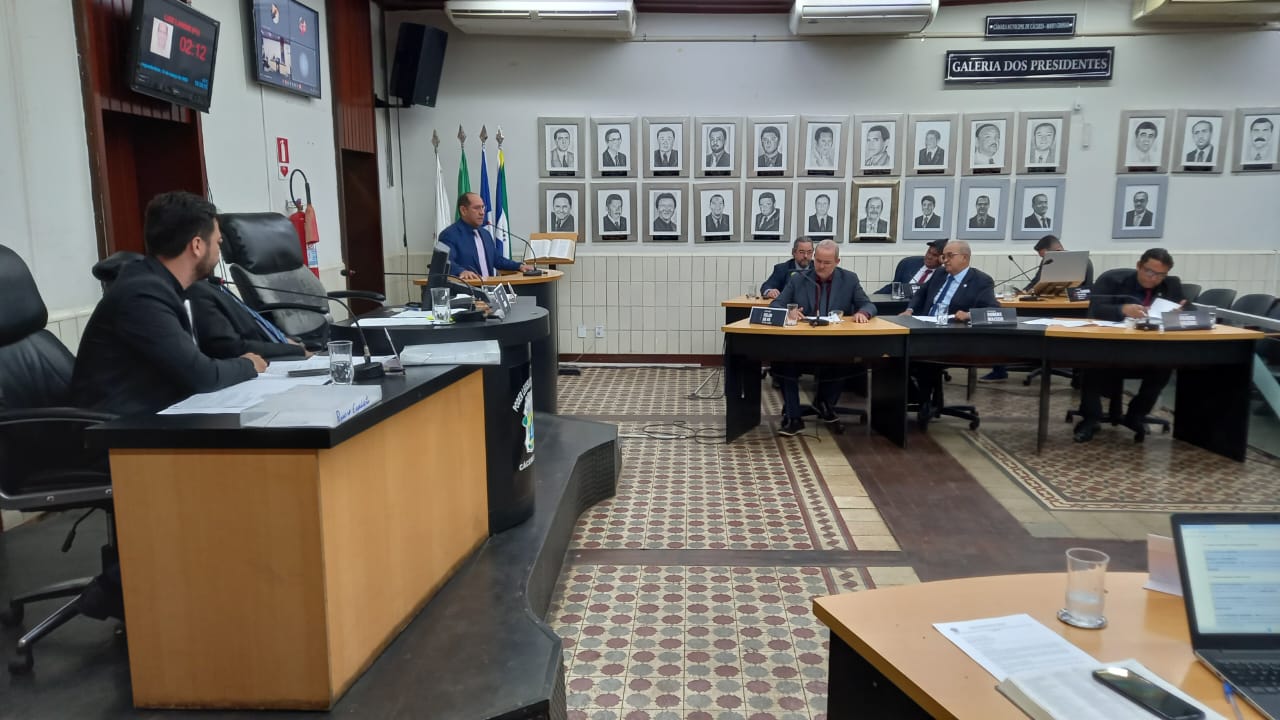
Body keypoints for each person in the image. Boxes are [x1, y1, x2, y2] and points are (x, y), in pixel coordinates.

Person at [71, 191, 266, 417]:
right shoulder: (142, 295)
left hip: (152, 415)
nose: (218, 253)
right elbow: (201, 375)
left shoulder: (160, 285)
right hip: (119, 428)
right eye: (217, 243)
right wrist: (247, 364)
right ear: (197, 245)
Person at [1073, 248, 1185, 443]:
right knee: (1091, 364)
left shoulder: (1171, 285)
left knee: (1164, 367)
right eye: (1149, 271)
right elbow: (1096, 309)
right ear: (1139, 266)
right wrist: (1122, 309)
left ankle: (1136, 415)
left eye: (1160, 274)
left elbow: (1188, 310)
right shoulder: (1113, 282)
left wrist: (1180, 313)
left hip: (1149, 348)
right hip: (1111, 347)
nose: (1154, 278)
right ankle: (1091, 418)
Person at [769, 239, 877, 436]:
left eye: (827, 262)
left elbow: (868, 304)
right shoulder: (799, 278)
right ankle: (793, 417)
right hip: (802, 345)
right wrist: (789, 311)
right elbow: (776, 304)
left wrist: (863, 313)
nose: (820, 266)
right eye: (818, 261)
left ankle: (826, 404)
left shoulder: (849, 279)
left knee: (844, 361)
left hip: (834, 345)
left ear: (837, 261)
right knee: (782, 363)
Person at [900, 240, 997, 417]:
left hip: (953, 336)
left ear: (965, 258)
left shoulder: (981, 281)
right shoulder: (940, 273)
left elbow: (994, 311)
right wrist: (910, 310)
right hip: (926, 328)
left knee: (919, 355)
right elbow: (921, 293)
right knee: (895, 351)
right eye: (943, 256)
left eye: (950, 256)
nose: (944, 260)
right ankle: (916, 400)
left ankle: (924, 403)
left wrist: (969, 315)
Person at [981, 234, 1093, 381]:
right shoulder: (1047, 262)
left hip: (1071, 310)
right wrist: (1025, 291)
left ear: (1058, 250)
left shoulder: (1082, 261)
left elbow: (1086, 290)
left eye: (1045, 257)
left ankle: (1079, 377)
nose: (1044, 261)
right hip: (1040, 305)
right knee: (1001, 323)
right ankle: (1000, 370)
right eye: (1042, 258)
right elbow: (1035, 282)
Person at [188, 273, 309, 360]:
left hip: (281, 347)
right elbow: (231, 347)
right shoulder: (198, 291)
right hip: (268, 360)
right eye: (217, 245)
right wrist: (296, 350)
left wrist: (284, 340)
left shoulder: (212, 285)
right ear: (197, 247)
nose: (219, 250)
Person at [439, 192, 535, 280]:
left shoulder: (485, 234)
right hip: (467, 289)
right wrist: (461, 271)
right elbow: (445, 262)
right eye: (476, 208)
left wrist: (519, 266)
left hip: (489, 287)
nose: (482, 212)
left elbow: (497, 260)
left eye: (483, 207)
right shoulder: (449, 235)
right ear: (463, 210)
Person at [875, 238, 945, 295]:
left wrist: (944, 264)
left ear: (942, 258)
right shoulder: (909, 264)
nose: (929, 257)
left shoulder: (943, 274)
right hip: (900, 304)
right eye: (928, 252)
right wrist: (873, 297)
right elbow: (893, 287)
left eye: (935, 255)